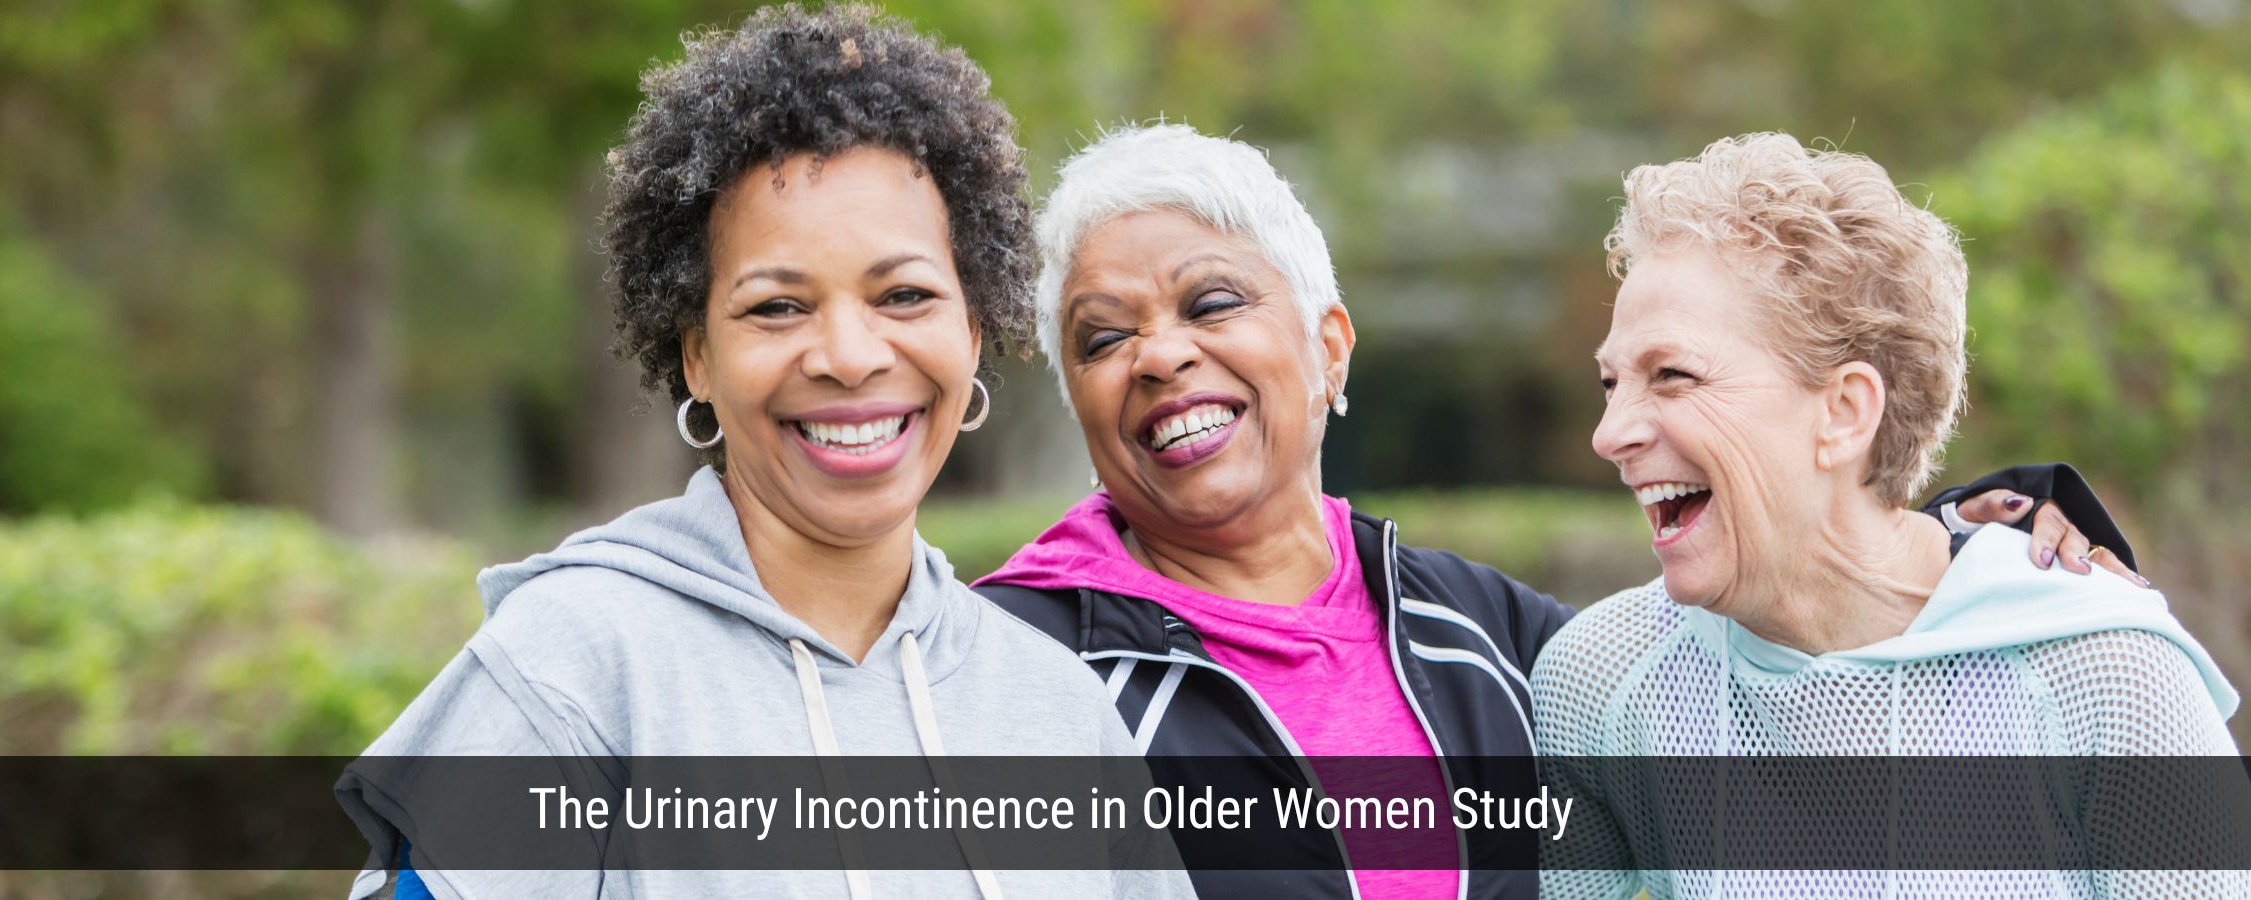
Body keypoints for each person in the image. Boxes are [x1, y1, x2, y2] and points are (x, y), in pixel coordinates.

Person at [974, 124, 2138, 900]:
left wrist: (1979, 547)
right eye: (1103, 336)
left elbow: (1789, 634)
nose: (1159, 355)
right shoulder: (999, 670)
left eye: (1210, 300)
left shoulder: (1501, 642)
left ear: (1330, 348)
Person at [338, 8, 1194, 899]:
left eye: (904, 294)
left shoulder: (1056, 710)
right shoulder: (576, 667)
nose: (851, 355)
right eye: (777, 307)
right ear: (696, 356)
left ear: (974, 331)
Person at [1532, 132, 2243, 897]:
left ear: (1843, 412)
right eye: (1611, 383)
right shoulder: (1599, 680)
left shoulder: (2108, 677)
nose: (1610, 434)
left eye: (1672, 374)